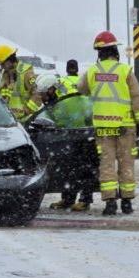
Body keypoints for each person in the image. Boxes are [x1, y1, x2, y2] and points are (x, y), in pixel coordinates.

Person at [78, 31, 139, 216]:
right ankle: (126, 202)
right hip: (125, 126)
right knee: (126, 164)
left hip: (103, 129)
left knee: (106, 164)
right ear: (115, 50)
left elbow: (81, 90)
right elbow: (136, 99)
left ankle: (109, 203)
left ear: (99, 52)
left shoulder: (92, 71)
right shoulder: (125, 71)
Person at [35, 74, 94, 211]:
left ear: (51, 90)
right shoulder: (55, 101)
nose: (41, 98)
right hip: (70, 139)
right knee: (67, 168)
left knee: (84, 169)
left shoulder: (68, 103)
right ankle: (67, 199)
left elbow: (76, 124)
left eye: (43, 94)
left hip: (83, 137)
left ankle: (85, 200)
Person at [0, 45, 41, 122]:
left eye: (2, 64)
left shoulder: (26, 73)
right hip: (9, 121)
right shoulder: (6, 74)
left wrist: (25, 111)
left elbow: (38, 96)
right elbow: (2, 95)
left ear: (9, 60)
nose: (2, 67)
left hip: (24, 123)